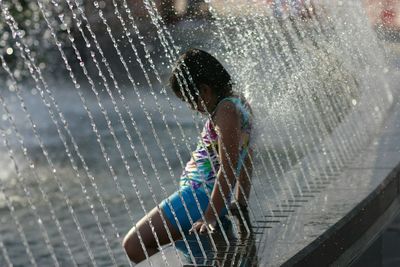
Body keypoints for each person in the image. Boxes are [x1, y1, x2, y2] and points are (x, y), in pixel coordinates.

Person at [122, 49, 253, 264]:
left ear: (205, 90)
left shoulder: (225, 110)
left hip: (199, 197)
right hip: (206, 199)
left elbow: (228, 167)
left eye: (191, 100)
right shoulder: (239, 104)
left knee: (134, 244)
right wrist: (240, 201)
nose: (192, 108)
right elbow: (246, 156)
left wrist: (210, 215)